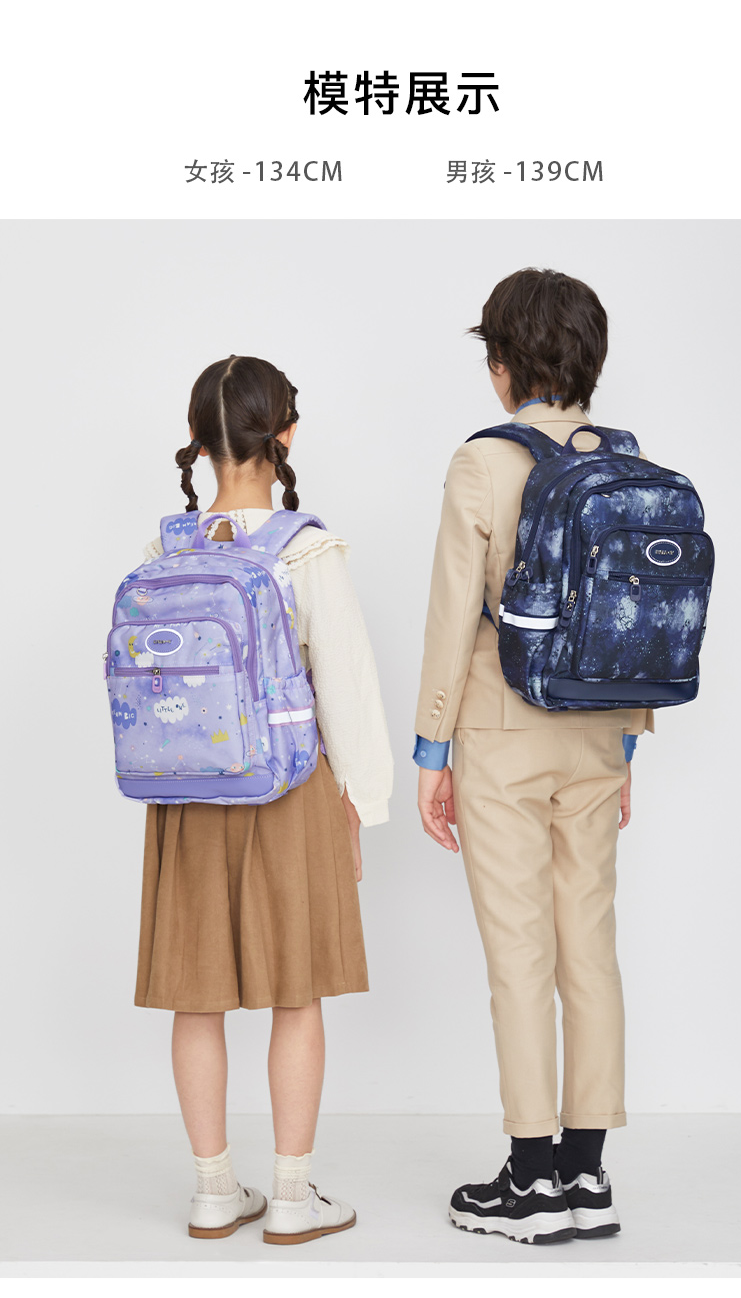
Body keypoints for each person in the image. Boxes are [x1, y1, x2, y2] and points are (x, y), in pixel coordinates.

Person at [414, 269, 653, 1245]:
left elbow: (450, 618)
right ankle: (587, 1174)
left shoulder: (483, 461)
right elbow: (639, 618)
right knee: (589, 946)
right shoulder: (627, 461)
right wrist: (627, 743)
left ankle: (528, 1179)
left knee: (520, 954)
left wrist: (432, 749)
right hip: (599, 730)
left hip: (502, 732)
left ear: (502, 366)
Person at [133, 354, 393, 1243]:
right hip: (287, 793)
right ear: (286, 433)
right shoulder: (304, 549)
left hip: (186, 799)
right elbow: (346, 688)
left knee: (195, 996)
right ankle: (290, 1194)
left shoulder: (165, 552)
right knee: (296, 994)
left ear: (197, 439)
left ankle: (213, 1190)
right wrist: (359, 802)